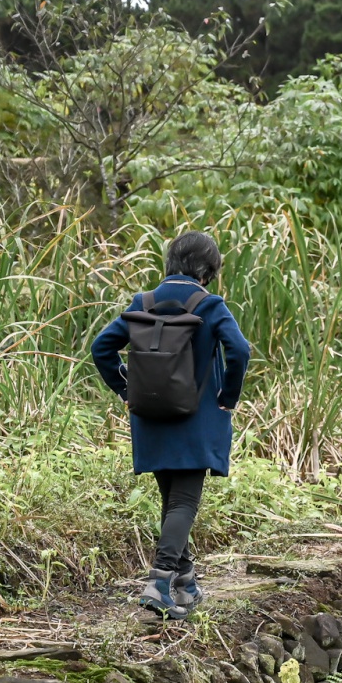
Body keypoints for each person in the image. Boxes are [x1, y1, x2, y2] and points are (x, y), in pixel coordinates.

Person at [92, 231, 251, 619]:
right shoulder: (209, 305)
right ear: (208, 268)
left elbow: (101, 347)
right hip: (196, 420)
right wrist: (228, 398)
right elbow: (240, 350)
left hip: (150, 418)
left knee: (171, 501)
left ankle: (186, 582)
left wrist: (125, 388)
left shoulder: (142, 302)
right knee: (183, 502)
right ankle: (159, 583)